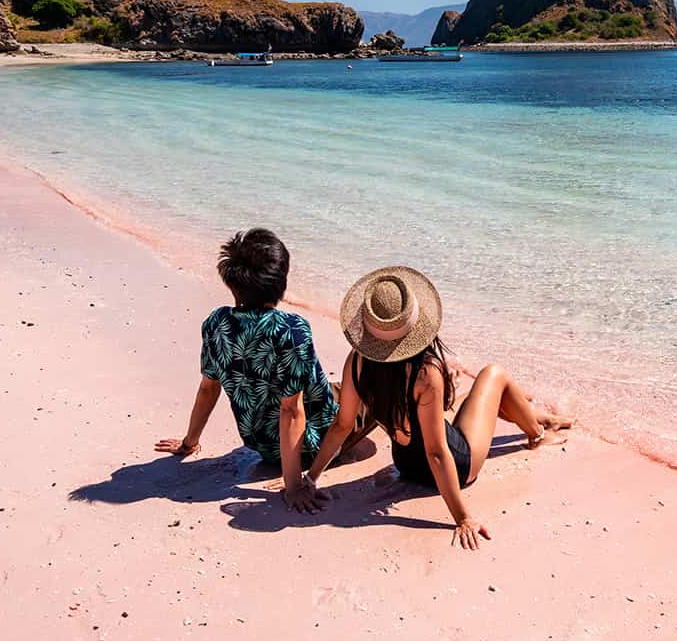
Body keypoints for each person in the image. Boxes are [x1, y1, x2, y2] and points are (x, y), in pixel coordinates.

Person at [294, 266, 573, 550]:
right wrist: (463, 518)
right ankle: (537, 434)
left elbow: (342, 426)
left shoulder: (357, 362)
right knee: (494, 374)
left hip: (405, 464)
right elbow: (437, 453)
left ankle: (534, 418)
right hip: (458, 468)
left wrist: (311, 478)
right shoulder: (425, 372)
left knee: (470, 401)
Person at [154, 228, 342, 503]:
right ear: (281, 283)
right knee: (364, 392)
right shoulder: (292, 329)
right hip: (311, 444)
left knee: (330, 388)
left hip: (262, 445)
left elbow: (208, 388)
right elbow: (291, 410)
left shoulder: (217, 323)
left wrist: (188, 444)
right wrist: (294, 487)